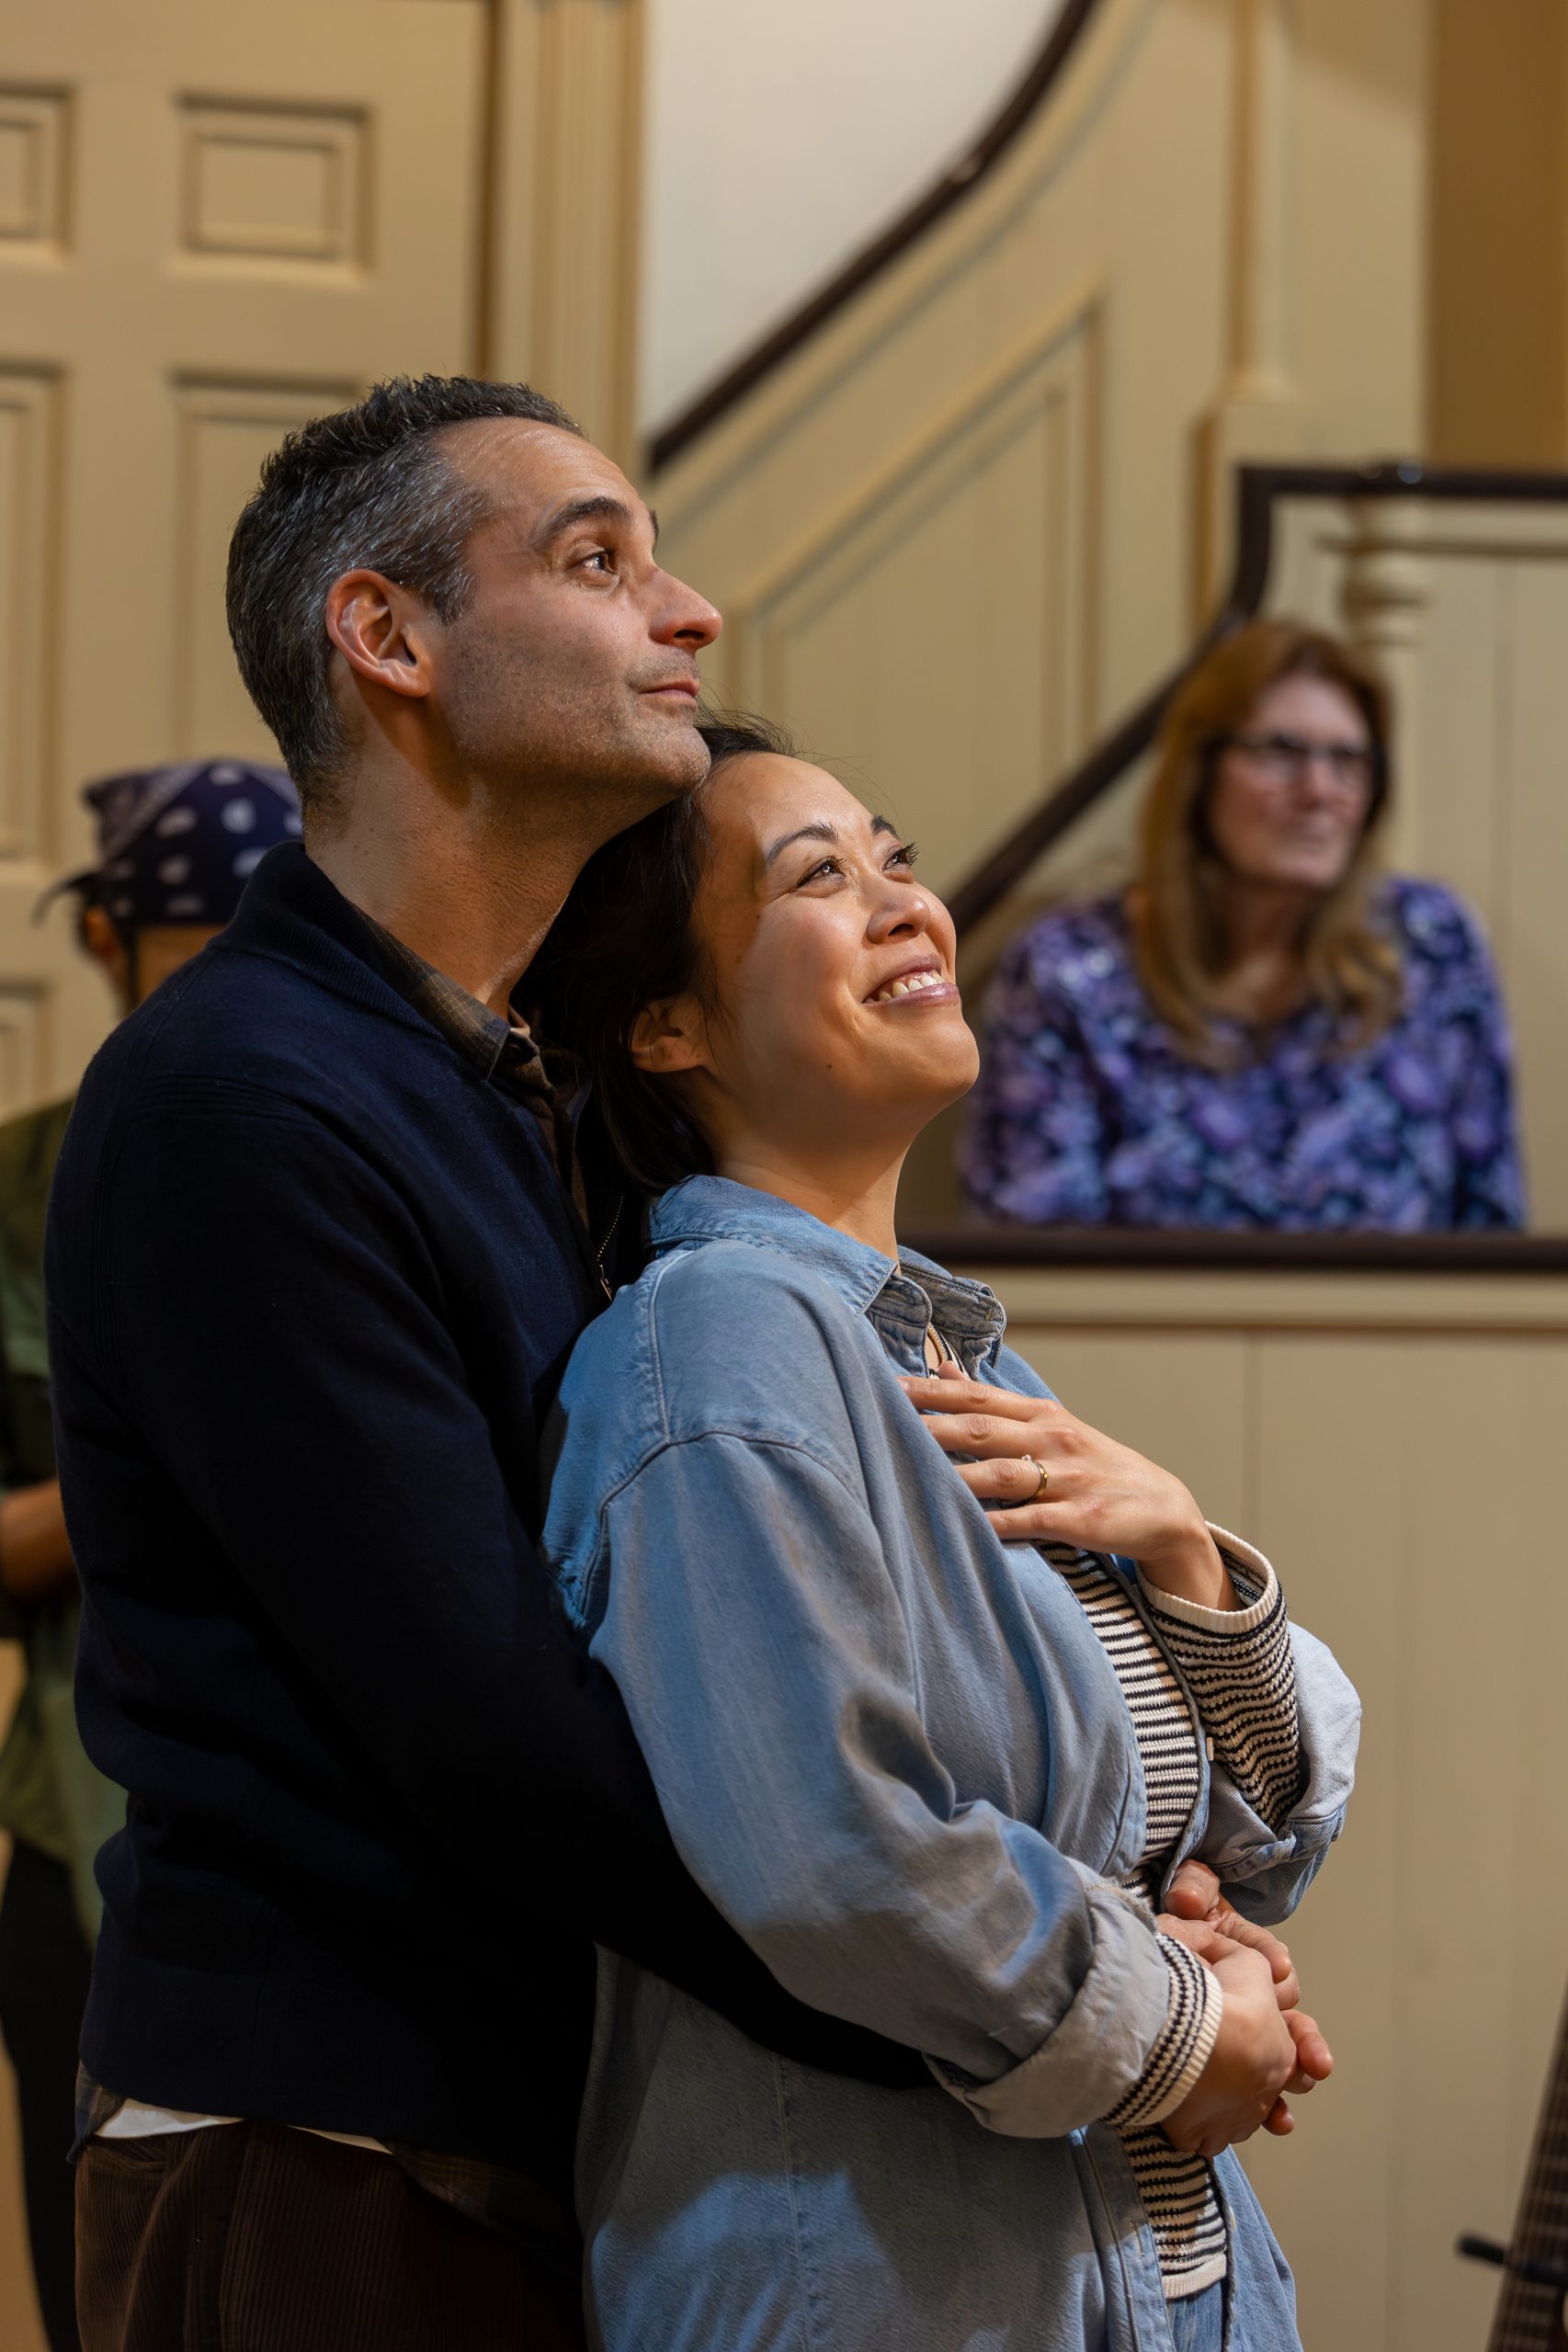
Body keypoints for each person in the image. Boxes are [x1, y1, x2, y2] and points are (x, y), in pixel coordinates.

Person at [46, 381, 936, 2352]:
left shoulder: (522, 1075)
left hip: (520, 2116)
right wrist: (989, 2016)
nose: (687, 611)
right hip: (327, 2136)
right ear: (389, 636)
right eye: (598, 561)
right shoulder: (238, 1098)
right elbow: (495, 1733)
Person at [533, 715, 1360, 2351]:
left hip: (1156, 2273)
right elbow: (839, 1853)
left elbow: (1253, 1844)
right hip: (889, 2285)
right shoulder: (715, 1336)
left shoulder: (951, 1352)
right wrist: (1189, 2019)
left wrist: (1189, 1559)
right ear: (666, 1024)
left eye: (896, 857)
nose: (905, 900)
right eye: (817, 877)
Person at [0, 757, 301, 2352]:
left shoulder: (362, 1143)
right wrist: (174, 1432)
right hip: (89, 1839)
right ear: (107, 941)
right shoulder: (22, 1189)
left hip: (334, 1872)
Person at [960, 619, 1525, 1229]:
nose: (1320, 790)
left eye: (1348, 759)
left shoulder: (1430, 944)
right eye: (1280, 751)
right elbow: (1036, 1246)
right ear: (1200, 775)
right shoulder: (1068, 968)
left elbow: (1492, 1226)